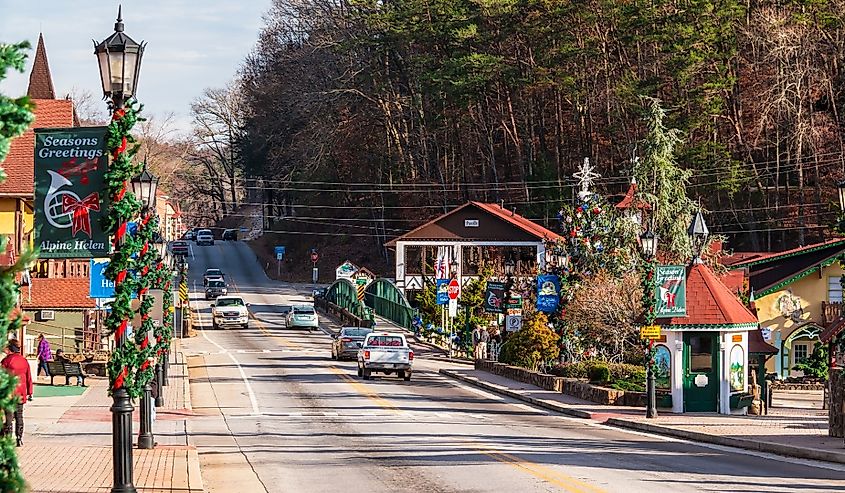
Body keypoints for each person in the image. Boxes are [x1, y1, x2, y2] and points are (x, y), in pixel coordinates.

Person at [2, 340, 32, 447]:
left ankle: (8, 438)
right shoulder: (24, 361)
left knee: (9, 416)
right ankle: (19, 438)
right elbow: (29, 377)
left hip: (9, 392)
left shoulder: (6, 361)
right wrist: (30, 392)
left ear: (10, 349)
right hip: (21, 392)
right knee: (19, 416)